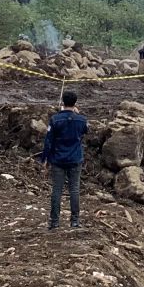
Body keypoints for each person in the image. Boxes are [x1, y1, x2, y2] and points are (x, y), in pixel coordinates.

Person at [41, 91, 88, 230]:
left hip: (58, 159)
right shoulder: (81, 119)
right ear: (75, 103)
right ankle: (75, 220)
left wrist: (45, 159)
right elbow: (85, 131)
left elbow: (48, 141)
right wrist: (77, 115)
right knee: (74, 190)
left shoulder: (55, 119)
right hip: (75, 158)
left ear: (62, 102)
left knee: (57, 190)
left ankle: (54, 221)